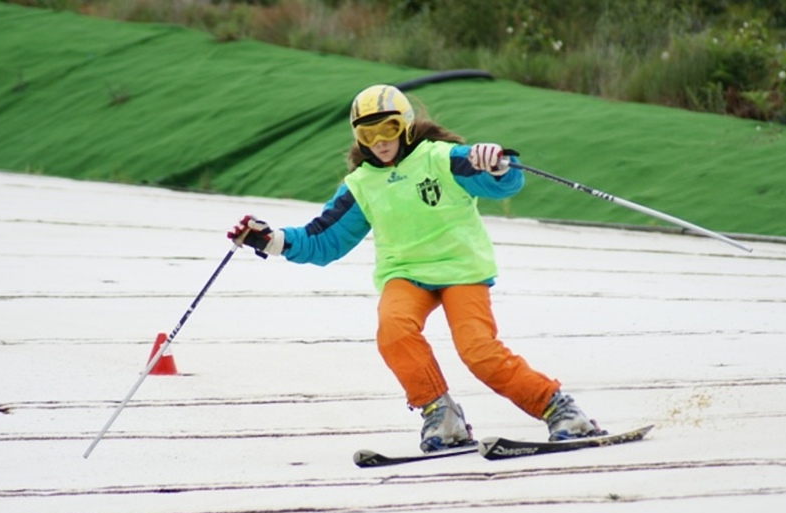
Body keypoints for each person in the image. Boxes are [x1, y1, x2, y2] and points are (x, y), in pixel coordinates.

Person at [228, 84, 604, 452]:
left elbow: (503, 185)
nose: (379, 141)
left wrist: (497, 163)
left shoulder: (441, 158)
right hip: (406, 273)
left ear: (405, 124)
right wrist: (270, 239)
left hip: (461, 270)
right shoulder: (362, 185)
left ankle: (559, 408)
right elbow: (323, 240)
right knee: (393, 332)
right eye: (367, 133)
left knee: (478, 351)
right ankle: (442, 416)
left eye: (387, 129)